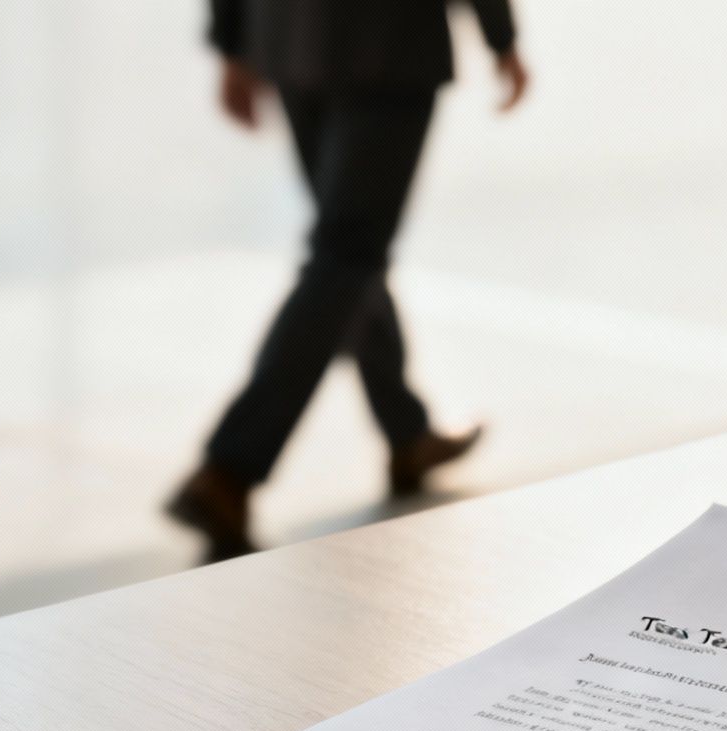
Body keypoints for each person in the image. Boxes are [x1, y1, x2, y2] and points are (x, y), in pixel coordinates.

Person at [170, 0, 528, 561]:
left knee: (351, 252)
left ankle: (407, 435)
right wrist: (501, 38)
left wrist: (234, 45)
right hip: (388, 41)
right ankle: (228, 470)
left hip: (292, 37)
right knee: (346, 254)